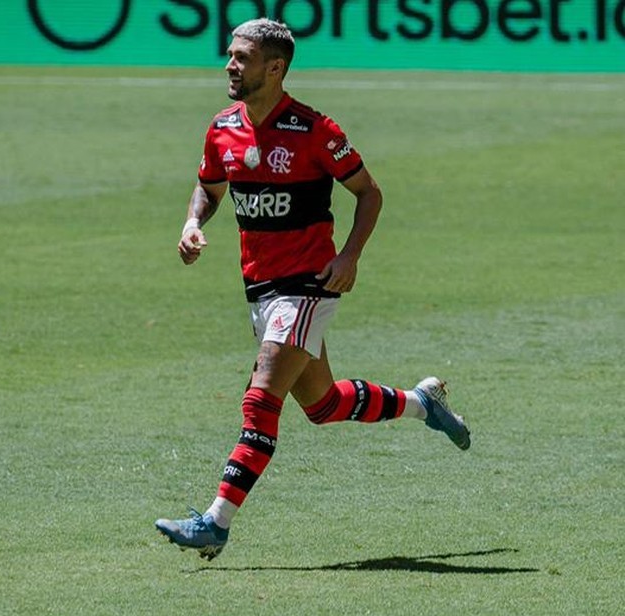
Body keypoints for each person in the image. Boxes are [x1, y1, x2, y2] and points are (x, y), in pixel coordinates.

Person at [154, 18, 470, 561]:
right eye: (230, 55)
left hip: (308, 284)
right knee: (322, 405)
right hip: (260, 287)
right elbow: (208, 188)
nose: (230, 65)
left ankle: (215, 522)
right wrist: (191, 223)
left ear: (274, 67)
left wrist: (349, 256)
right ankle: (423, 403)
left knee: (260, 401)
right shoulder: (222, 126)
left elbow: (369, 193)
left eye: (241, 57)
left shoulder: (315, 130)